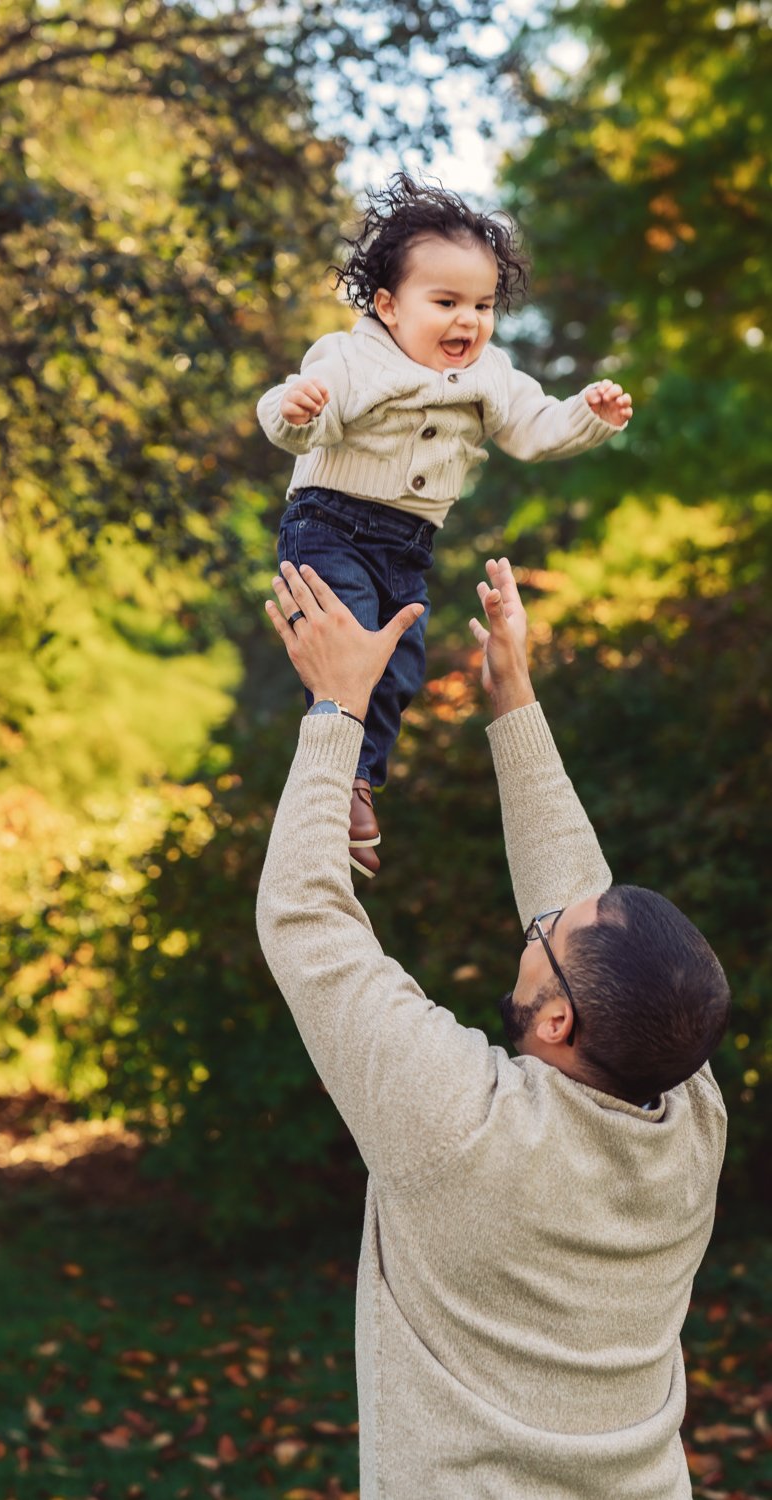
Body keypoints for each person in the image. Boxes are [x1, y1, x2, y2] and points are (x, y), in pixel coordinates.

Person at [256, 556, 729, 1500]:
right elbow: (580, 907)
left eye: (549, 937)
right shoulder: (688, 1110)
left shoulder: (462, 1126)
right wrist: (513, 697)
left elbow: (305, 921)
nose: (543, 918)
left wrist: (337, 712)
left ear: (557, 1018)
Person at [257, 175, 634, 878]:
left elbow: (535, 427)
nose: (469, 321)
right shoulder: (349, 358)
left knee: (400, 668)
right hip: (330, 526)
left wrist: (588, 414)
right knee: (350, 648)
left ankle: (358, 782)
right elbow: (288, 419)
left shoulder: (492, 373)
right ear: (389, 305)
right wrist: (299, 409)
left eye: (484, 305)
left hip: (408, 547)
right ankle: (337, 791)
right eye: (447, 302)